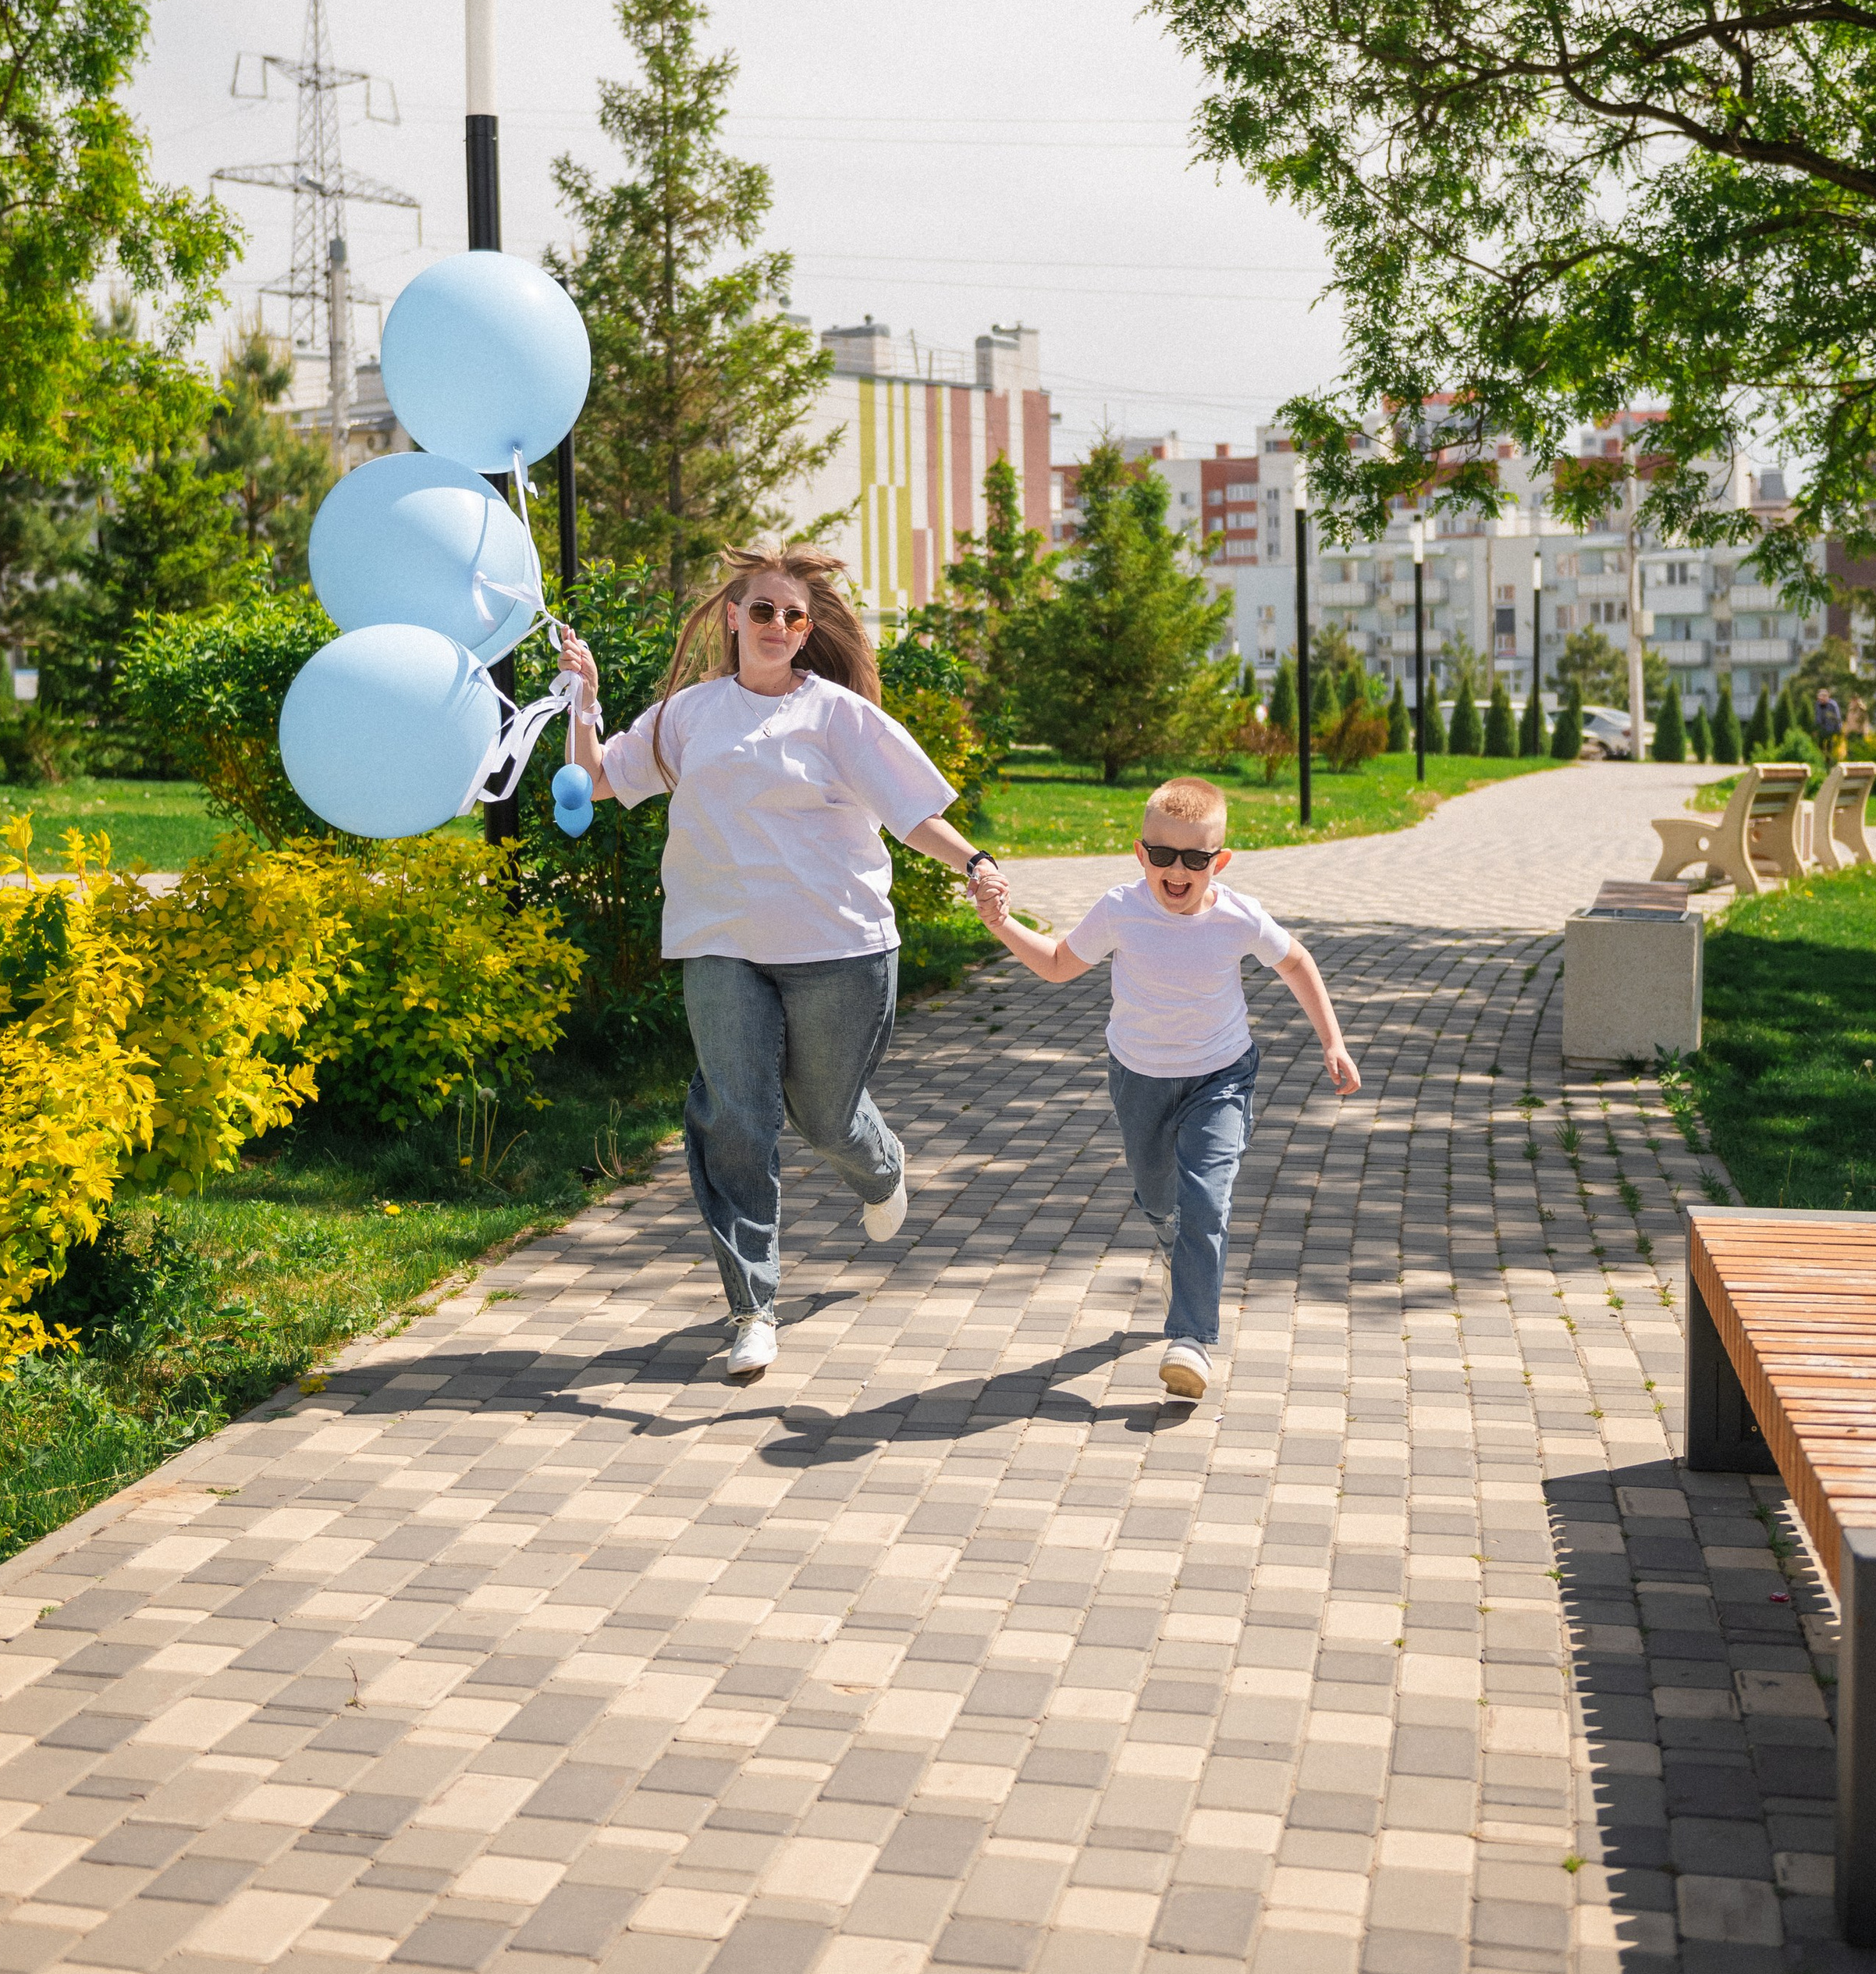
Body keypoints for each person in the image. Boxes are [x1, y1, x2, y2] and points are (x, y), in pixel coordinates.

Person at [558, 549, 995, 1383]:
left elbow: (912, 813)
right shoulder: (689, 714)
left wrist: (974, 862)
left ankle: (880, 1165)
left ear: (808, 628)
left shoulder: (837, 717)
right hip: (719, 942)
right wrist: (584, 699)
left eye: (794, 616)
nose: (778, 628)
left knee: (824, 1118)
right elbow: (595, 782)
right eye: (762, 611)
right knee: (737, 1119)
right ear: (733, 616)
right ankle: (752, 1308)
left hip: (839, 945)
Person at [971, 776, 1359, 1400]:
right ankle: (1175, 1242)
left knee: (1207, 1198)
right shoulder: (1122, 909)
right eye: (1163, 855)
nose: (1178, 871)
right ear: (1140, 852)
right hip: (1139, 1077)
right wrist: (1001, 922)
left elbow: (1296, 961)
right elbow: (1057, 964)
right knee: (1160, 1201)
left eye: (1196, 859)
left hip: (1222, 1075)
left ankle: (1191, 1338)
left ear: (1219, 861)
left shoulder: (1237, 916)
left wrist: (1332, 1041)